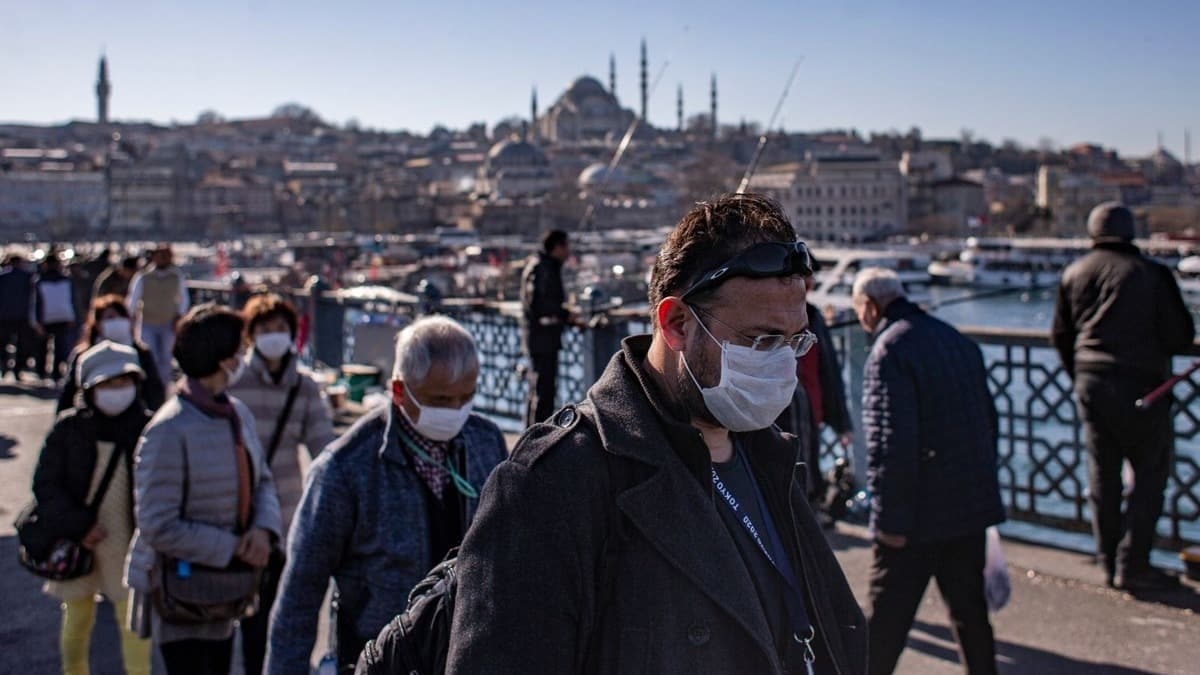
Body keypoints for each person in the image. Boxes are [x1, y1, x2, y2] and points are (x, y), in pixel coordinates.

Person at [448, 194, 866, 675]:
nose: (781, 363)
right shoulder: (551, 488)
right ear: (676, 324)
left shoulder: (771, 456)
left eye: (795, 342)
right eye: (762, 341)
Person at [266, 317, 506, 674]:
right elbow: (299, 594)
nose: (456, 411)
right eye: (440, 399)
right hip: (378, 659)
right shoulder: (345, 470)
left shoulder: (486, 443)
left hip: (469, 653)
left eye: (466, 397)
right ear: (399, 391)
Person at [852, 267, 1005, 675]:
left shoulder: (889, 350)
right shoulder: (956, 339)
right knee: (971, 616)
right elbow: (989, 423)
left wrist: (888, 521)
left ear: (870, 306)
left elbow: (890, 443)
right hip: (968, 508)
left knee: (885, 626)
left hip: (916, 516)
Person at [124, 304, 282, 675]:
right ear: (222, 358)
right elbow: (156, 524)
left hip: (231, 590)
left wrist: (263, 530)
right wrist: (233, 549)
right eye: (238, 350)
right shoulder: (168, 430)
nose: (244, 356)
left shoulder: (236, 413)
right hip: (184, 593)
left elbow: (262, 481)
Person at [1052, 202, 1195, 591]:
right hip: (1143, 387)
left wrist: (1080, 374)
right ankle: (1133, 563)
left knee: (1103, 474)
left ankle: (1107, 558)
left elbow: (1062, 336)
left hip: (1092, 384)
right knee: (1149, 476)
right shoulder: (1152, 274)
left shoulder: (1074, 273)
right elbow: (1179, 335)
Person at [228, 293, 335, 675]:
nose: (274, 336)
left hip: (286, 513)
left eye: (281, 329)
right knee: (235, 611)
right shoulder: (233, 381)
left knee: (275, 611)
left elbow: (325, 449)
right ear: (250, 335)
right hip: (237, 512)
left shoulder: (303, 387)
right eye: (265, 329)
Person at [33, 341, 154, 675]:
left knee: (132, 624)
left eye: (124, 382)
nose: (118, 391)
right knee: (76, 620)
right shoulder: (68, 428)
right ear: (88, 387)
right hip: (79, 539)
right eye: (108, 384)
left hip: (128, 540)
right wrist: (79, 526)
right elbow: (46, 486)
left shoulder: (149, 427)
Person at [777, 262, 854, 518]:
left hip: (809, 408)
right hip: (782, 409)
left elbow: (828, 370)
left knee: (806, 468)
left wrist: (841, 421)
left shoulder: (813, 316)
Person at [58, 294, 166, 414]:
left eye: (122, 317)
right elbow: (67, 395)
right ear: (98, 324)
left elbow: (154, 392)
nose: (117, 321)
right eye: (110, 317)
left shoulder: (141, 353)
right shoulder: (83, 355)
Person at [520, 229, 578, 426]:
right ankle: (537, 439)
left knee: (538, 388)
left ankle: (531, 435)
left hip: (541, 337)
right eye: (566, 246)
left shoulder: (541, 265)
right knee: (543, 391)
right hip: (542, 339)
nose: (569, 251)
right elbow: (538, 304)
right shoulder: (542, 268)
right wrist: (564, 314)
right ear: (557, 247)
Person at [127, 244, 189, 386]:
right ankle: (151, 385)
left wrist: (179, 316)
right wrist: (130, 318)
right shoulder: (143, 276)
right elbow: (133, 299)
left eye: (166, 256)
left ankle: (163, 385)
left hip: (169, 322)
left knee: (166, 358)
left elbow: (183, 299)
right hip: (148, 322)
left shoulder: (176, 276)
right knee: (150, 355)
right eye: (160, 255)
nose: (163, 259)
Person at [34, 253, 78, 382]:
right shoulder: (66, 279)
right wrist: (73, 316)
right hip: (63, 316)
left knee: (43, 346)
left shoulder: (40, 280)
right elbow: (72, 299)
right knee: (60, 346)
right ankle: (56, 373)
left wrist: (37, 320)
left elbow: (36, 303)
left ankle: (41, 371)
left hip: (45, 317)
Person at [0, 253, 37, 380]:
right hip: (23, 315)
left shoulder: (3, 277)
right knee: (22, 344)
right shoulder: (28, 277)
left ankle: (4, 365)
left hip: (4, 315)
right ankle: (17, 369)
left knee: (4, 343)